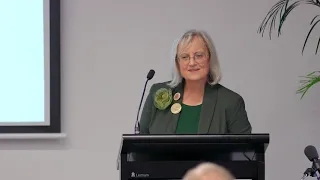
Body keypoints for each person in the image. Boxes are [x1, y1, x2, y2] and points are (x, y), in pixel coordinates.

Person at [139, 29, 252, 134]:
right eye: (184, 57)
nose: (192, 62)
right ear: (177, 63)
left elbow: (246, 151)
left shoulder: (231, 102)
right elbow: (140, 146)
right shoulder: (157, 92)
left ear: (210, 58)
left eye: (198, 55)